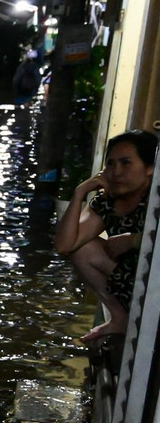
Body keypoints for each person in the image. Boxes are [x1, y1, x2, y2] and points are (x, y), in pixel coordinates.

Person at [54, 129, 158, 344]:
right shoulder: (108, 201)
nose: (116, 172)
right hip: (130, 282)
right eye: (111, 164)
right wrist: (80, 193)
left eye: (126, 163)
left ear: (149, 168)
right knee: (82, 248)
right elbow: (65, 245)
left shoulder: (156, 199)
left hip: (155, 286)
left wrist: (135, 241)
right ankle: (120, 318)